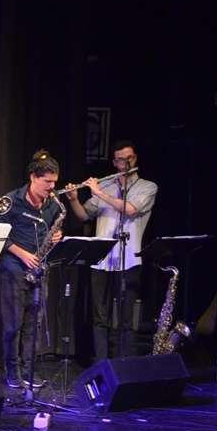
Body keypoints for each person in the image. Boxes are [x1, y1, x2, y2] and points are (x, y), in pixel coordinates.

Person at [63, 140, 156, 361]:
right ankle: (101, 364)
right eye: (121, 159)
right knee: (99, 318)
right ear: (115, 162)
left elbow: (130, 209)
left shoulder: (148, 187)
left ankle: (123, 365)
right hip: (101, 260)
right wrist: (74, 199)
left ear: (135, 158)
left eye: (130, 158)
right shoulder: (106, 185)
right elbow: (84, 215)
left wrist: (98, 192)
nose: (127, 163)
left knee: (125, 320)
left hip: (129, 260)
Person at [0, 152, 64, 389]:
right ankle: (11, 372)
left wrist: (57, 236)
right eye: (47, 182)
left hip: (39, 269)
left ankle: (28, 371)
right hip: (12, 269)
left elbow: (52, 231)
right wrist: (23, 254)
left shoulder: (53, 205)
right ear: (33, 177)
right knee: (13, 325)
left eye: (54, 182)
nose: (51, 187)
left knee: (34, 325)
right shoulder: (10, 201)